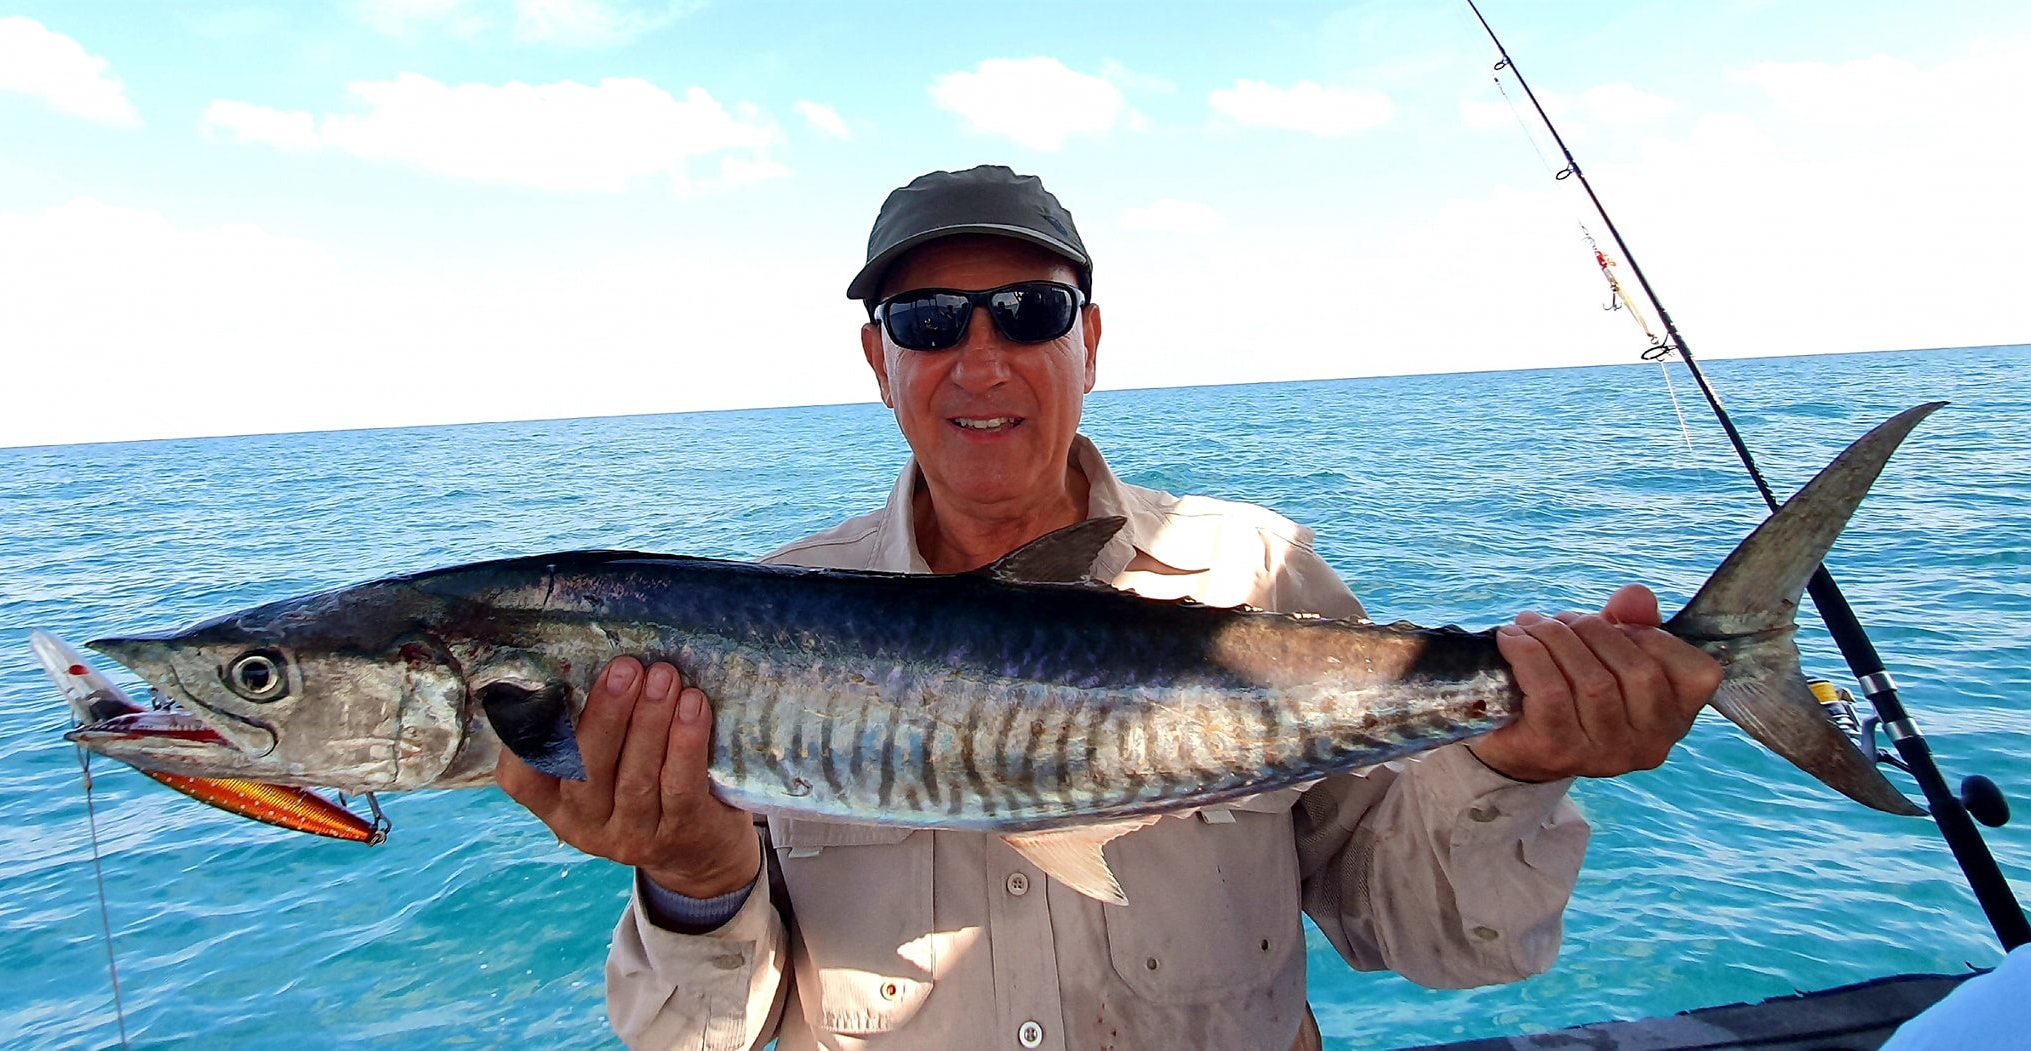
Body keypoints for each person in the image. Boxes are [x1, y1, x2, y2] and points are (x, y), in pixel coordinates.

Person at [496, 165, 1722, 1050]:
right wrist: (693, 874)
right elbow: (692, 1040)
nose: (979, 360)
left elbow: (1442, 943)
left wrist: (1509, 765)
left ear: (1090, 341)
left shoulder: (1259, 574)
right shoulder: (752, 621)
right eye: (925, 324)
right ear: (878, 363)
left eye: (1026, 312)